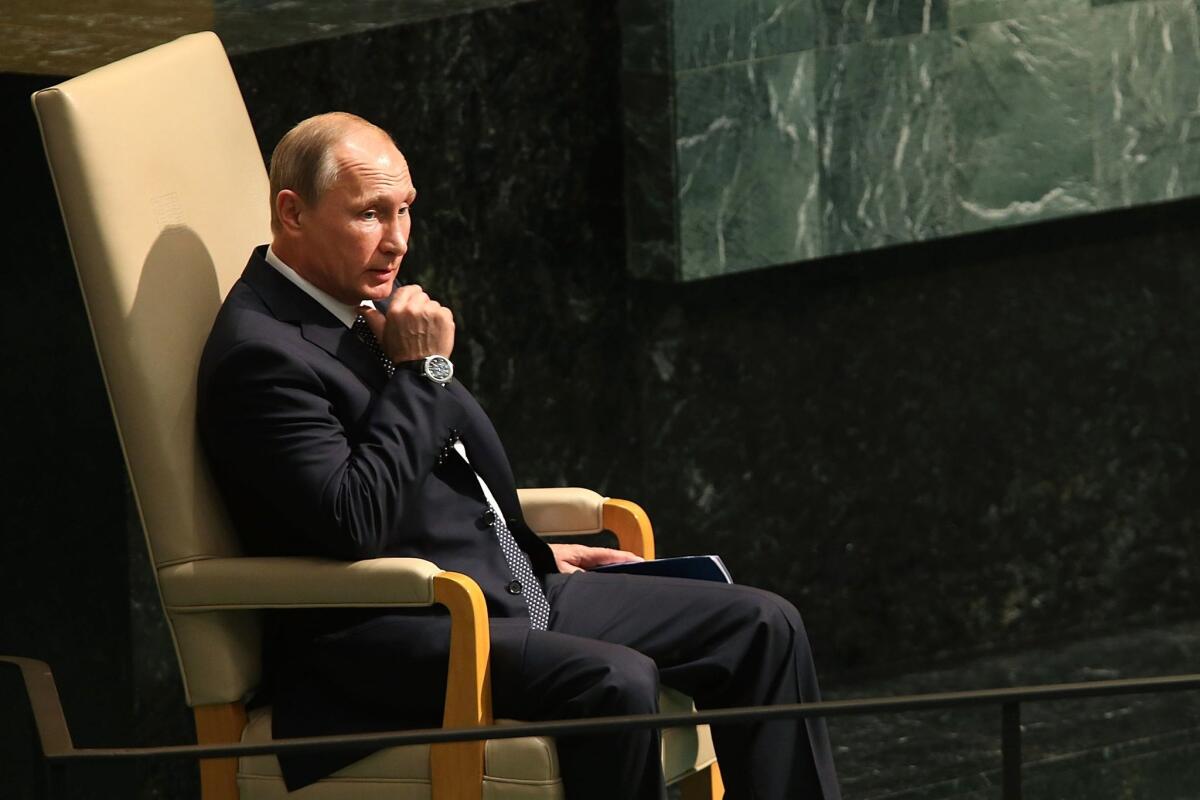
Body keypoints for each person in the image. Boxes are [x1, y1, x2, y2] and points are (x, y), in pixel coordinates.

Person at [197, 111, 841, 800]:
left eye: (406, 210)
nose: (397, 240)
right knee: (617, 680)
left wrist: (526, 549)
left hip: (498, 589)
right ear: (292, 214)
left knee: (763, 626)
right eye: (369, 215)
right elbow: (352, 519)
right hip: (386, 634)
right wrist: (421, 372)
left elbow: (446, 464)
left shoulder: (350, 306)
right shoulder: (261, 354)